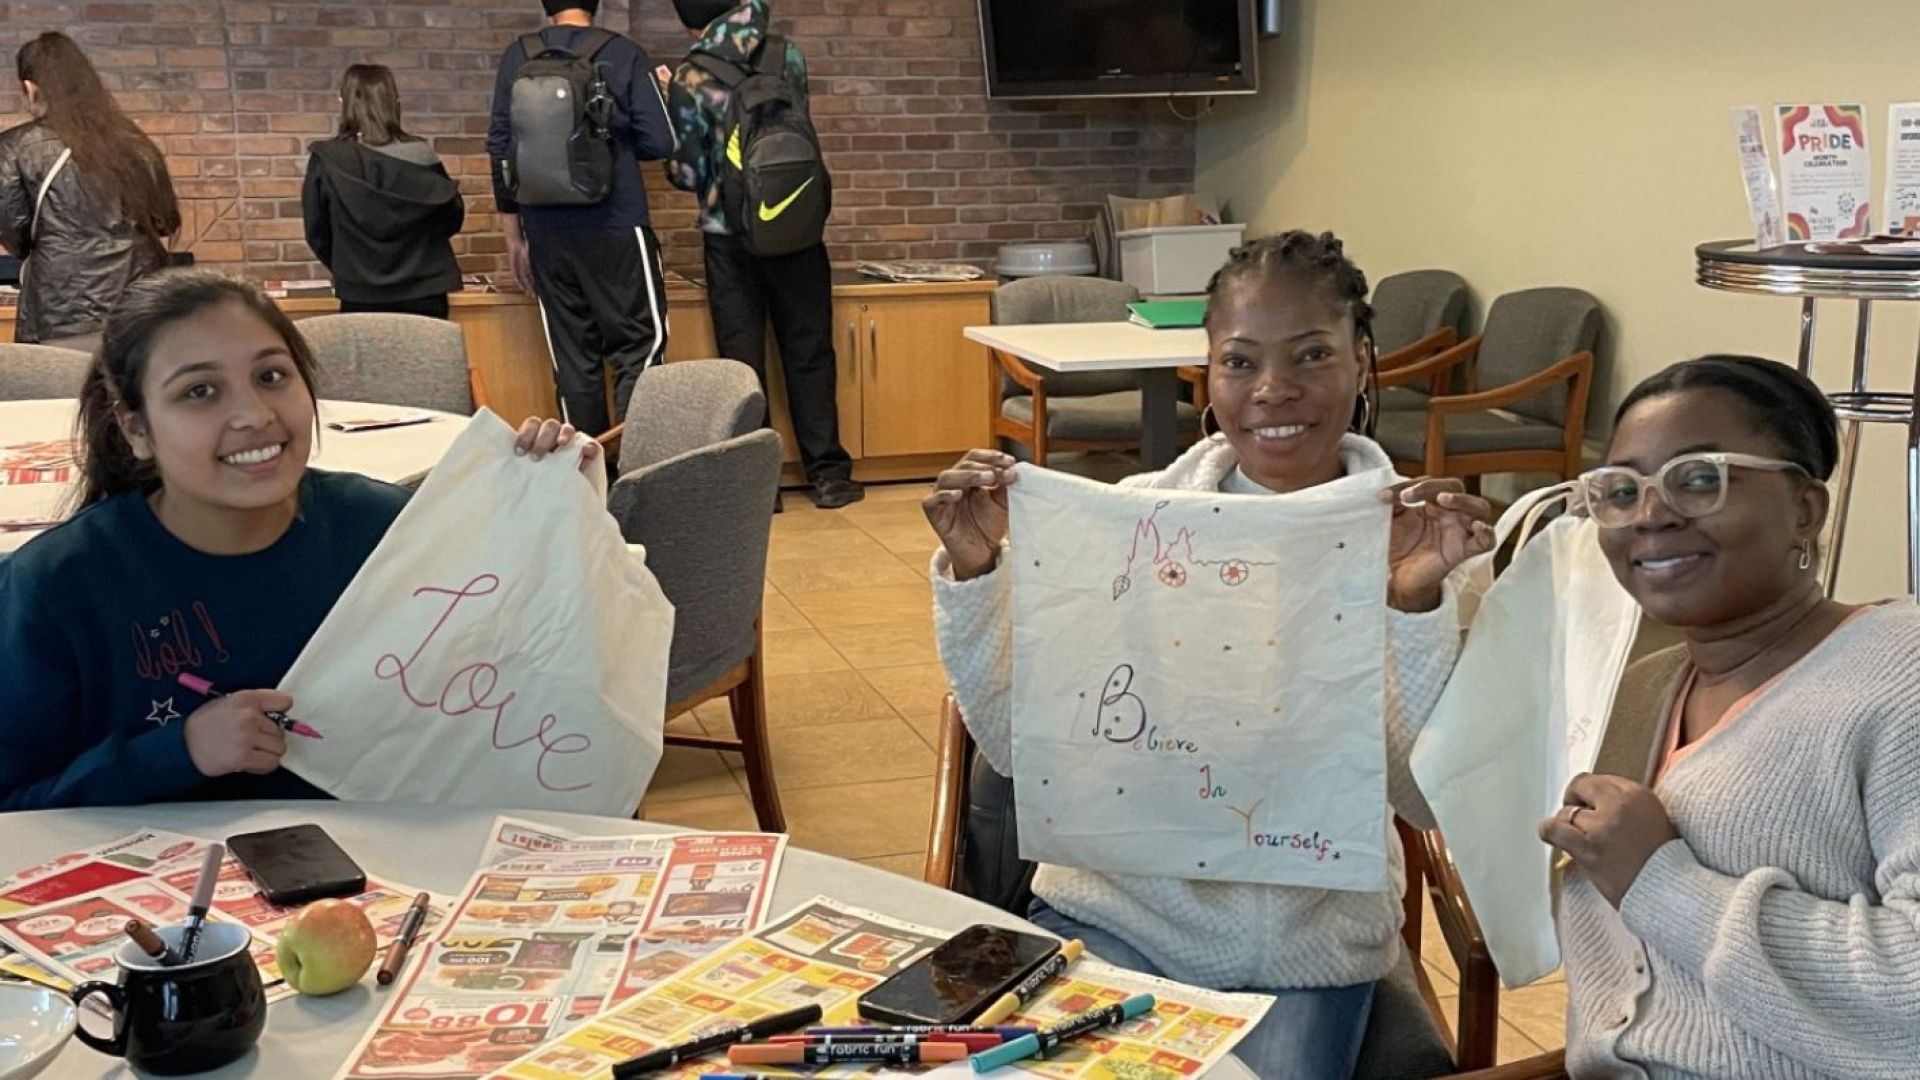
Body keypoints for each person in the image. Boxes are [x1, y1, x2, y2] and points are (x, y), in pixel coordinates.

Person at [927, 231, 1495, 1078]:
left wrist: (1410, 604)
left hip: (1300, 953)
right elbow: (1016, 748)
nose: (1274, 390)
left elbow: (1418, 796)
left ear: (1362, 358)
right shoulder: (1126, 522)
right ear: (1207, 369)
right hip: (1109, 917)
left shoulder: (1431, 550)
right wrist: (977, 575)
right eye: (1240, 361)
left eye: (1311, 354)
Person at [0, 269, 599, 811]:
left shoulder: (386, 529)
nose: (255, 414)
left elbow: (521, 673)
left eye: (271, 376)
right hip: (161, 912)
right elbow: (16, 804)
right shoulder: (56, 584)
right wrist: (179, 750)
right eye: (199, 391)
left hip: (391, 877)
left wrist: (549, 513)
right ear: (136, 429)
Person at [1538, 356, 1920, 1077]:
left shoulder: (1901, 675)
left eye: (1700, 478)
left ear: (1805, 509)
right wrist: (1415, 604)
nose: (1652, 514)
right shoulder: (1633, 692)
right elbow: (1430, 790)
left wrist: (1662, 881)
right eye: (1621, 490)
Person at [662, 0, 863, 509]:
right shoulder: (787, 55)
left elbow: (686, 173)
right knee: (810, 350)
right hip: (797, 227)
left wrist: (672, 101)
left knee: (742, 358)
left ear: (690, 18)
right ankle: (829, 475)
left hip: (728, 235)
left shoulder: (690, 75)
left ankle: (759, 486)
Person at [486, 0, 674, 437]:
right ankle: (636, 473)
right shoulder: (623, 52)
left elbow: (499, 146)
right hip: (617, 224)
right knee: (640, 349)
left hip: (545, 230)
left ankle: (586, 481)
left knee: (573, 360)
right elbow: (659, 142)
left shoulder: (519, 54)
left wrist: (514, 237)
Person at [0, 31, 179, 351]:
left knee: (66, 397)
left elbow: (16, 237)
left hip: (62, 309)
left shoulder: (15, 147)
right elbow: (165, 222)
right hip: (144, 304)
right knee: (141, 397)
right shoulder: (134, 141)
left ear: (30, 88)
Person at [302, 64, 465, 319]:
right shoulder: (422, 155)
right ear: (394, 101)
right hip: (426, 289)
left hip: (360, 291)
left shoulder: (328, 160)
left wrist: (350, 267)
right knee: (430, 359)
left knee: (368, 360)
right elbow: (451, 219)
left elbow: (317, 232)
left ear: (343, 102)